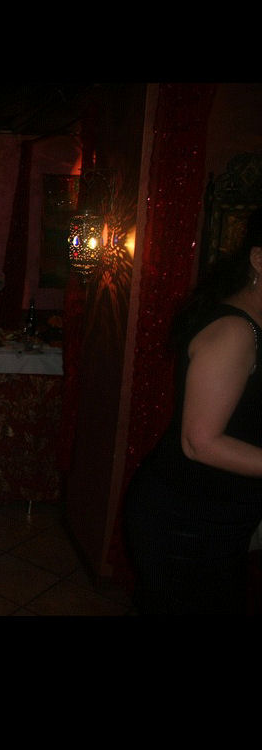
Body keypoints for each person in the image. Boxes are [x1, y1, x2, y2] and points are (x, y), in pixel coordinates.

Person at [123, 207, 262, 615]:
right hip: (186, 522)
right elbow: (200, 443)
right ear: (258, 259)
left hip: (216, 514)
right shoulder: (235, 331)